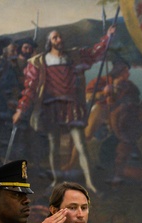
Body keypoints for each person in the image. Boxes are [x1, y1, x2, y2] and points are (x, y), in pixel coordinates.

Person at [12, 27, 117, 192]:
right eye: (55, 38)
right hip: (51, 107)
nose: (59, 40)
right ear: (49, 42)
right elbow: (30, 89)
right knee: (54, 145)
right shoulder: (40, 62)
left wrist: (108, 37)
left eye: (60, 37)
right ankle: (56, 180)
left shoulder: (74, 57)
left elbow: (94, 53)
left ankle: (90, 182)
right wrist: (20, 109)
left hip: (71, 107)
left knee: (81, 145)